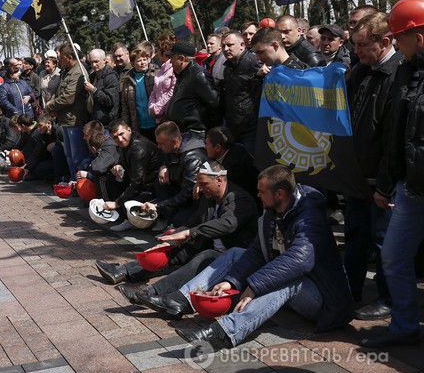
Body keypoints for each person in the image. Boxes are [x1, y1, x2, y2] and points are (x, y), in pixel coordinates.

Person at [160, 165, 352, 350]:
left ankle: (224, 333)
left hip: (323, 299)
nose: (257, 195)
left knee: (288, 279)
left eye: (261, 192)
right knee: (236, 253)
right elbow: (258, 251)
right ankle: (182, 300)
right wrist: (230, 281)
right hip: (295, 289)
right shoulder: (272, 210)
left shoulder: (310, 217)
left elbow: (299, 260)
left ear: (280, 194)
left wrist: (254, 286)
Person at [107, 161, 258, 307]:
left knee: (203, 257)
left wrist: (188, 233)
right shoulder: (210, 198)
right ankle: (125, 271)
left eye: (204, 184)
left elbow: (227, 224)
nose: (200, 188)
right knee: (174, 249)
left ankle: (151, 292)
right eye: (199, 184)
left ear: (219, 180)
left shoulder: (241, 200)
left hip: (232, 256)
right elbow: (193, 223)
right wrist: (171, 240)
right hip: (208, 244)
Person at [365, 0, 424, 348]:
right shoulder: (405, 70)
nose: (395, 45)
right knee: (394, 255)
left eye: (399, 37)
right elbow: (395, 132)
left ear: (418, 36)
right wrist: (386, 184)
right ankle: (404, 326)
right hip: (409, 188)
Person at [343, 12, 402, 321]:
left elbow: (393, 137)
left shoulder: (398, 75)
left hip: (381, 179)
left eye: (363, 45)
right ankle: (349, 289)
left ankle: (388, 297)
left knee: (383, 242)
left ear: (385, 42)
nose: (357, 51)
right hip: (357, 175)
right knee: (356, 235)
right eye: (355, 45)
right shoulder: (361, 71)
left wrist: (384, 183)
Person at [102, 120, 162, 231]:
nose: (120, 139)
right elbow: (124, 160)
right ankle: (123, 216)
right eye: (115, 137)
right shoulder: (125, 143)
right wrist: (118, 165)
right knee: (110, 179)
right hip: (140, 180)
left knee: (128, 205)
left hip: (152, 187)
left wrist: (117, 203)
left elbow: (137, 183)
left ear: (129, 130)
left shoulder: (138, 148)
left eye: (121, 134)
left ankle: (130, 219)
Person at [45, 43, 89, 179]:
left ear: (70, 57)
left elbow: (68, 97)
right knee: (69, 155)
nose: (59, 60)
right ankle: (73, 181)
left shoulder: (77, 72)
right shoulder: (68, 71)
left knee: (78, 156)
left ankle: (81, 183)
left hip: (75, 120)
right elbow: (60, 92)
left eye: (62, 57)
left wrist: (50, 106)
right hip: (66, 119)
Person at [163, 41, 218, 138]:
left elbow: (214, 104)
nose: (170, 61)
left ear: (181, 58)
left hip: (195, 134)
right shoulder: (182, 74)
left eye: (172, 57)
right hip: (183, 132)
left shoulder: (198, 75)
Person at [219, 32, 262, 150]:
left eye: (230, 45)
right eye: (223, 46)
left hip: (251, 127)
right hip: (233, 126)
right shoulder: (227, 67)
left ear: (242, 45)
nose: (225, 49)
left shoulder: (253, 62)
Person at [204, 126, 258, 199]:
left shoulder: (235, 168)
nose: (205, 147)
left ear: (217, 147)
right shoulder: (222, 154)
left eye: (207, 144)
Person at [120, 41, 158, 139]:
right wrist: (126, 124)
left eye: (145, 59)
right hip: (139, 125)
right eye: (139, 60)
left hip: (156, 122)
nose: (142, 62)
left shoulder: (155, 73)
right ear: (133, 63)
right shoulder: (127, 79)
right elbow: (125, 106)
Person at [85, 48, 120, 126]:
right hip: (94, 121)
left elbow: (110, 101)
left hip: (107, 122)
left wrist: (94, 90)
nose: (93, 65)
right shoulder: (92, 76)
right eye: (91, 62)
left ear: (104, 60)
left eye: (96, 61)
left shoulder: (111, 77)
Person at [147, 35, 177, 124]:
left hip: (170, 116)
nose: (156, 53)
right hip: (159, 117)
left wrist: (157, 108)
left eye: (157, 50)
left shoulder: (174, 68)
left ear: (163, 51)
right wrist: (151, 106)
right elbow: (154, 91)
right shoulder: (160, 70)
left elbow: (172, 91)